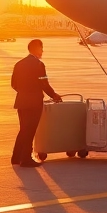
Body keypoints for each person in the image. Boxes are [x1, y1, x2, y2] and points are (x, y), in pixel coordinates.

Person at [11, 39, 63, 168]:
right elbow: (44, 84)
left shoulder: (19, 64)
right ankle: (26, 159)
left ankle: (16, 157)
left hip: (21, 101)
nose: (42, 51)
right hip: (34, 103)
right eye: (41, 48)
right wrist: (54, 95)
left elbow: (13, 84)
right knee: (29, 131)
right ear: (35, 49)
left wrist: (24, 92)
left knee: (23, 129)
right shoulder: (39, 65)